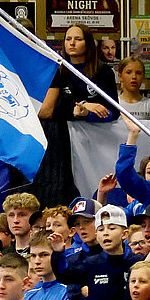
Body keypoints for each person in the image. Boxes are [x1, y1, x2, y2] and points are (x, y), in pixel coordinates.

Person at [35, 23, 117, 206]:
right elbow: (49, 110)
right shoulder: (57, 70)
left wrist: (88, 114)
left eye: (78, 39)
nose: (72, 43)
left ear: (88, 43)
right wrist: (78, 109)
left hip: (95, 141)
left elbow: (114, 112)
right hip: (61, 140)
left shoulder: (103, 72)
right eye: (68, 39)